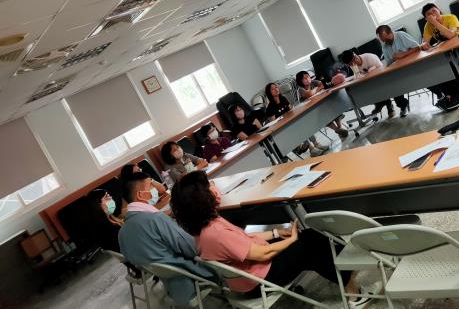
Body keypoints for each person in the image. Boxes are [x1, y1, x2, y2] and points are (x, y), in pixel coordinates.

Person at [170, 171, 374, 307]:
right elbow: (263, 254)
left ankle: (346, 274)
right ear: (202, 198)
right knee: (310, 242)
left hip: (252, 274)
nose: (214, 187)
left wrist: (278, 233)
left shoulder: (206, 224)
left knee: (308, 239)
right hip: (259, 280)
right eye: (209, 186)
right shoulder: (215, 232)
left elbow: (246, 238)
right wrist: (292, 240)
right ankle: (354, 293)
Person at [118, 172, 216, 306]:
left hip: (171, 285)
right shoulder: (155, 219)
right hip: (192, 275)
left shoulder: (122, 232)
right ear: (140, 195)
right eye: (150, 185)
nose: (154, 189)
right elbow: (192, 248)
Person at [420, 3, 459, 110]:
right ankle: (451, 98)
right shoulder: (427, 26)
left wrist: (435, 22)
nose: (432, 14)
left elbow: (450, 35)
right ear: (426, 18)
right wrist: (424, 45)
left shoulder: (450, 18)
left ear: (439, 10)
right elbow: (425, 42)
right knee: (437, 70)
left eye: (434, 11)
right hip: (446, 54)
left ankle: (451, 97)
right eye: (428, 14)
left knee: (452, 68)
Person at [265, 82, 329, 156]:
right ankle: (312, 148)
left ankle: (316, 144)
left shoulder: (283, 99)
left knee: (303, 125)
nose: (276, 89)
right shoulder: (270, 107)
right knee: (298, 129)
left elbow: (291, 111)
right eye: (273, 89)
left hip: (291, 123)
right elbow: (274, 123)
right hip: (284, 129)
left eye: (276, 87)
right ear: (269, 93)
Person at [374, 26, 421, 117]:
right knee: (393, 86)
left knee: (426, 78)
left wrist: (403, 54)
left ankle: (440, 95)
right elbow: (389, 63)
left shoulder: (401, 36)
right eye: (383, 40)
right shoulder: (385, 46)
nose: (385, 42)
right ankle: (403, 106)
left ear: (390, 32)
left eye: (386, 39)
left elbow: (417, 47)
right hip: (400, 72)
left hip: (413, 67)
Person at [339, 50, 396, 118]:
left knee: (377, 86)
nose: (352, 65)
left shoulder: (369, 57)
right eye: (350, 65)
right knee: (365, 90)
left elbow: (381, 70)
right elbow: (358, 76)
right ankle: (379, 103)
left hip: (380, 79)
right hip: (369, 82)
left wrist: (370, 72)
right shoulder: (353, 65)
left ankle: (389, 106)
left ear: (355, 56)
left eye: (352, 62)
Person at [295, 71, 349, 138]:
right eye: (304, 78)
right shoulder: (300, 89)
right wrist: (318, 88)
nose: (307, 79)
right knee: (323, 115)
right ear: (300, 81)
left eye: (308, 77)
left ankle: (340, 127)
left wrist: (316, 89)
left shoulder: (313, 82)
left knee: (333, 107)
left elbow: (322, 84)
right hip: (312, 111)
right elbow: (309, 94)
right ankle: (337, 129)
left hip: (321, 105)